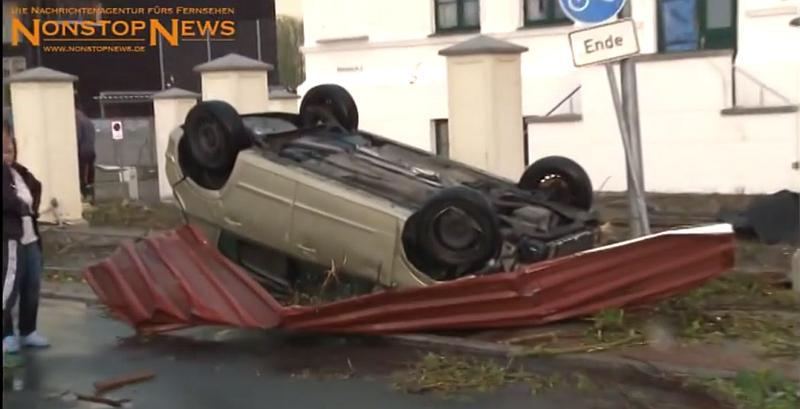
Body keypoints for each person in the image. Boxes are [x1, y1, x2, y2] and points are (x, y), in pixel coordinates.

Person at [2, 120, 49, 353]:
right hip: (9, 238)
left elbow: (34, 190)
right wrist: (18, 207)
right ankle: (7, 335)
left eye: (9, 150)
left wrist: (29, 209)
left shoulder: (20, 173)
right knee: (9, 287)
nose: (7, 156)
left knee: (32, 284)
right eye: (3, 151)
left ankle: (28, 330)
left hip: (30, 237)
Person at [75, 103, 96, 202]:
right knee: (90, 177)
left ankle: (84, 198)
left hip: (82, 153)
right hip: (91, 151)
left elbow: (78, 138)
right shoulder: (89, 122)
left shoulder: (79, 121)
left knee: (82, 177)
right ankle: (91, 198)